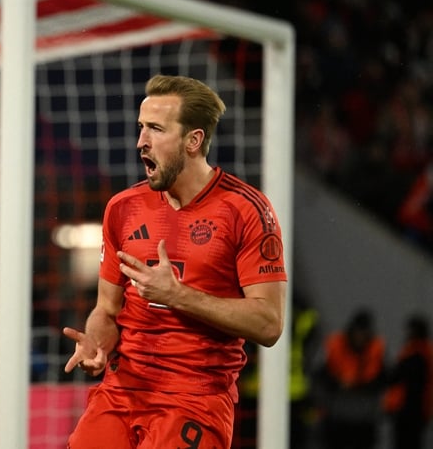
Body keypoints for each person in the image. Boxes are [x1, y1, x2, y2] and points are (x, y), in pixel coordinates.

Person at [62, 74, 288, 449]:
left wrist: (177, 295)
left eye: (155, 129)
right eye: (140, 128)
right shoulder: (123, 208)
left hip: (194, 399)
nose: (141, 142)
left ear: (193, 141)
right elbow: (106, 309)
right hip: (122, 390)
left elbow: (269, 325)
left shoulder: (246, 211)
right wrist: (97, 345)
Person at [314, 308, 386, 449]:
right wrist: (338, 384)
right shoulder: (335, 345)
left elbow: (384, 379)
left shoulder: (376, 349)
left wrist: (360, 385)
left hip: (364, 420)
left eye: (363, 333)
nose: (359, 337)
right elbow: (320, 376)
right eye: (357, 332)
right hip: (337, 419)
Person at [382, 314, 433, 449]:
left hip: (408, 412)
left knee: (406, 443)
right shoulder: (423, 352)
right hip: (416, 412)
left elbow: (395, 378)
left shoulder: (415, 354)